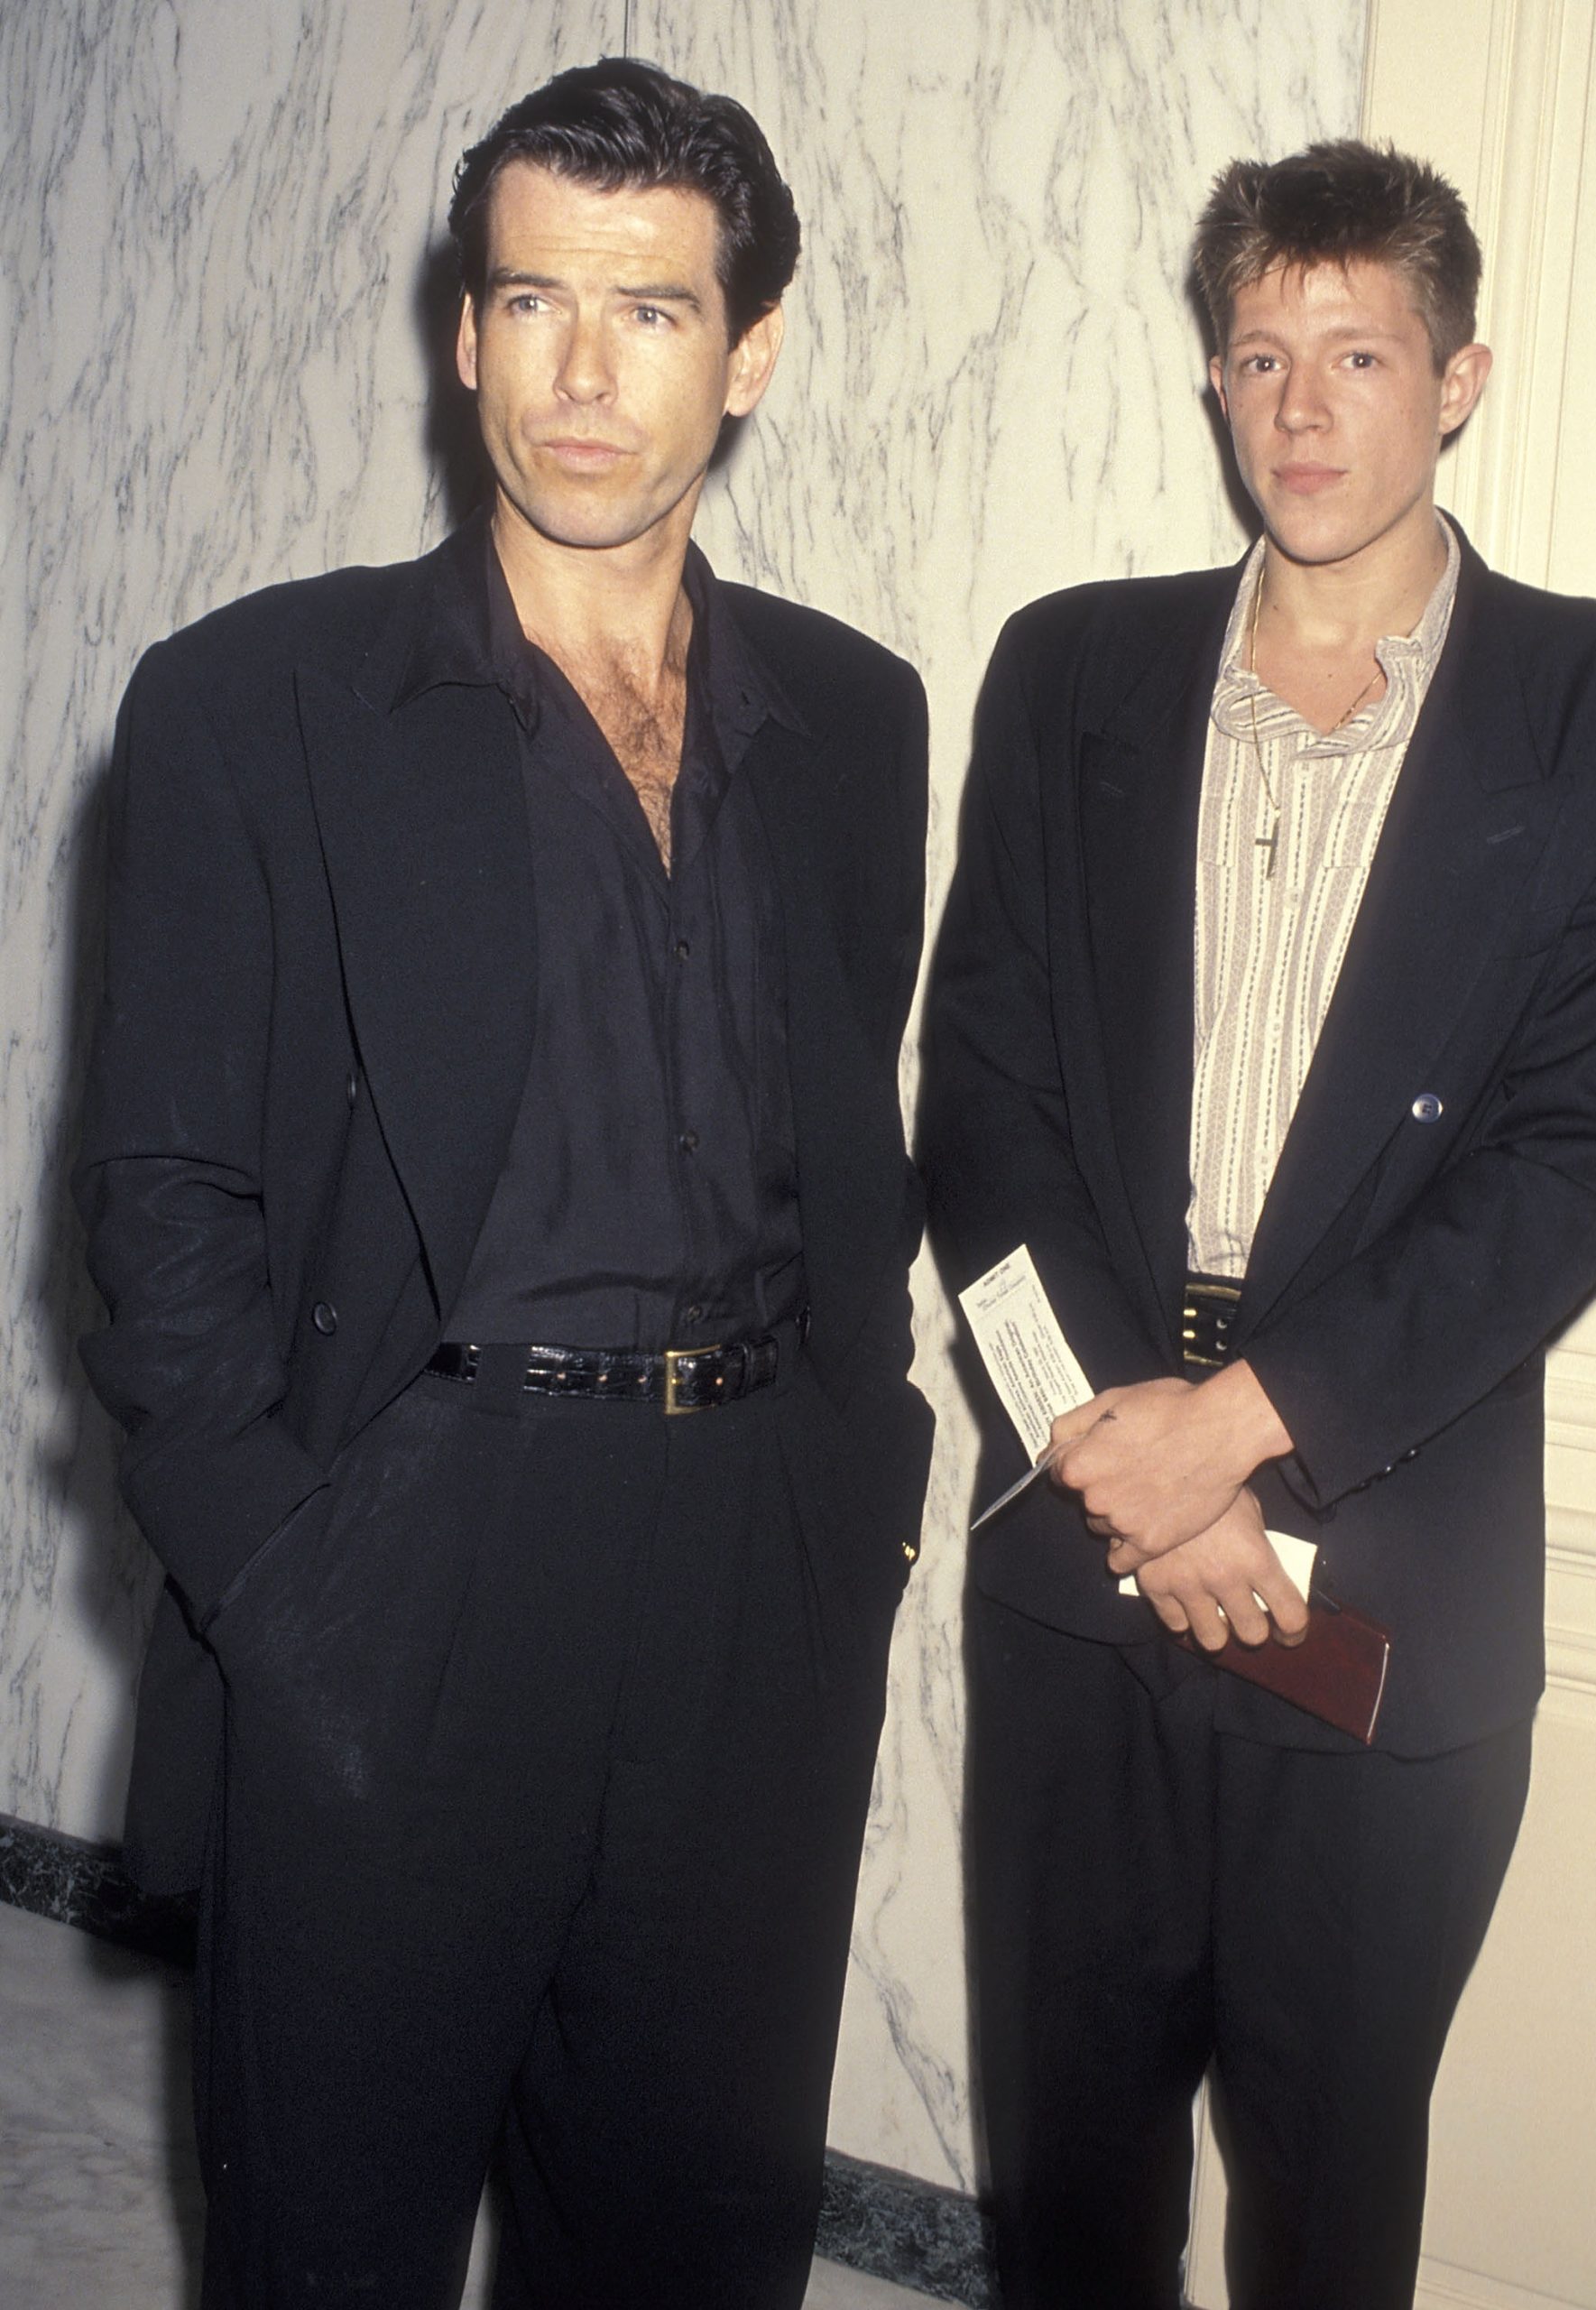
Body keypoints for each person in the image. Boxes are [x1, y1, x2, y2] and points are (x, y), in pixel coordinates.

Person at [76, 58, 932, 2310]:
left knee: (688, 2233)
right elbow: (158, 1199)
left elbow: (851, 1142)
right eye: (528, 296)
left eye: (648, 312)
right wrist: (285, 1577)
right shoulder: (253, 699)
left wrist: (870, 1488)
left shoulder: (862, 717)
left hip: (756, 1563)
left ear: (749, 354)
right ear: (461, 329)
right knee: (332, 2235)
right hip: (408, 1544)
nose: (576, 369)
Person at [921, 140, 1596, 2310]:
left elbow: (1582, 1154)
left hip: (1398, 1565)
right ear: (1217, 379)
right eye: (1262, 355)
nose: (1305, 406)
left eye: (1359, 352)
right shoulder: (1070, 674)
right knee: (1071, 2178)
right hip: (1080, 1547)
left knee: (1334, 2197)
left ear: (1461, 378)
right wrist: (1126, 1468)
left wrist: (1239, 1428)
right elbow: (984, 1118)